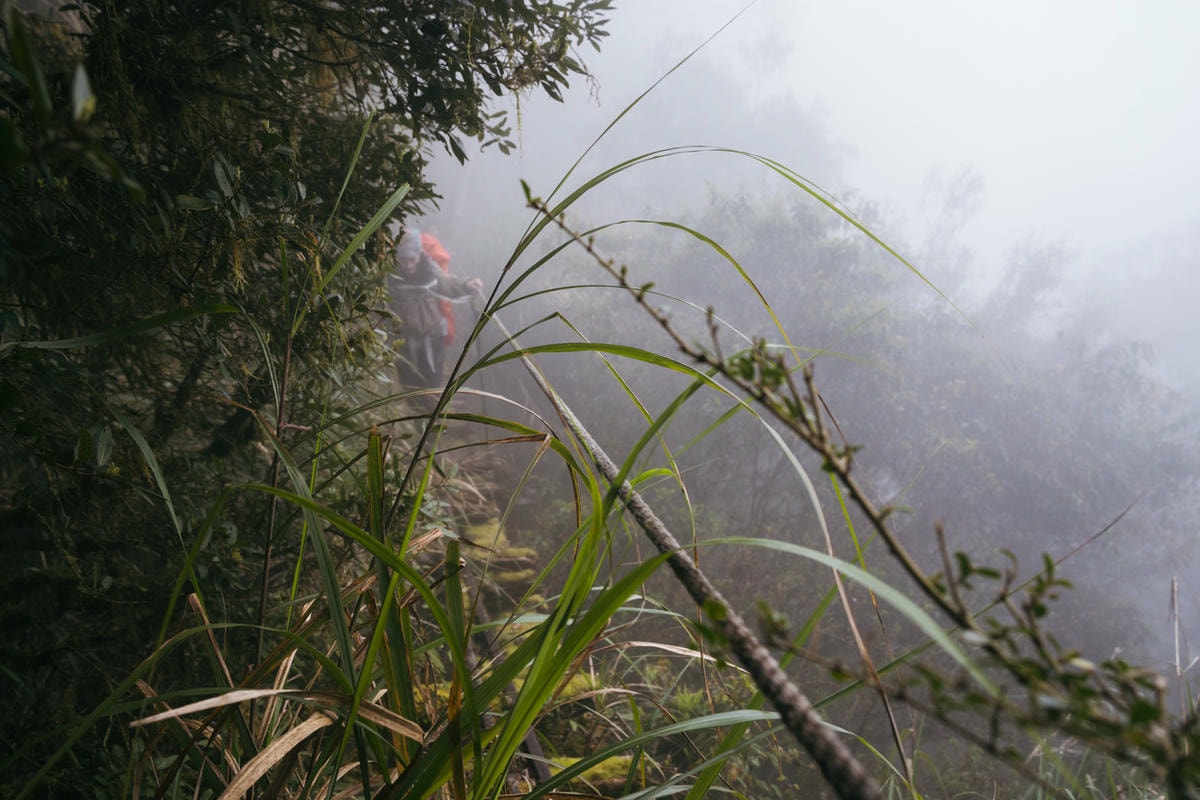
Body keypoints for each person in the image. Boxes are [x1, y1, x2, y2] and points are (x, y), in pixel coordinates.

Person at [389, 227, 483, 388]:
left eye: (412, 259)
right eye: (403, 260)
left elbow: (449, 283)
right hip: (405, 342)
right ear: (397, 257)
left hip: (433, 340)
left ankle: (431, 411)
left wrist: (467, 284)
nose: (408, 265)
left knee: (431, 388)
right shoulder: (391, 276)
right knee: (409, 388)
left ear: (419, 254)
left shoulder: (431, 270)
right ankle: (416, 410)